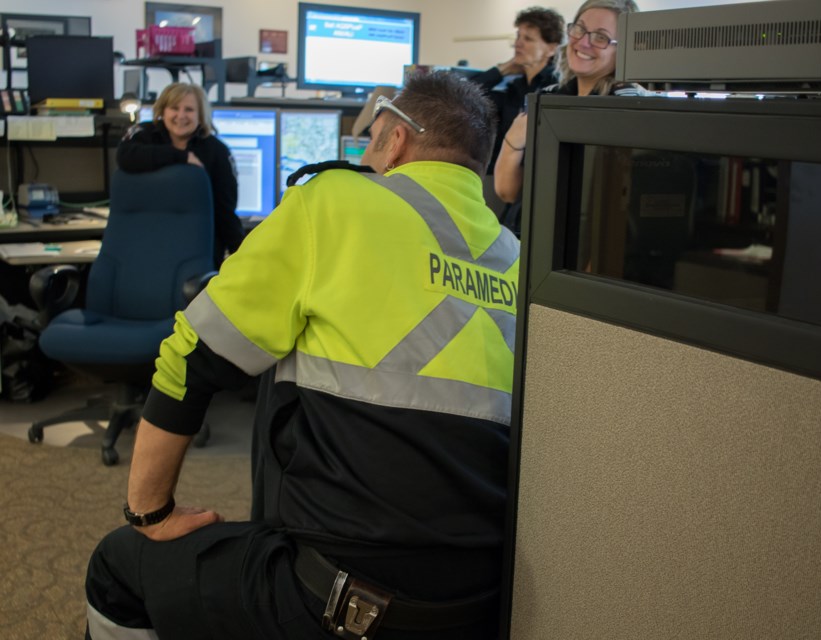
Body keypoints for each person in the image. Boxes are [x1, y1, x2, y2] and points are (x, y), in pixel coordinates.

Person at [85, 72, 519, 640]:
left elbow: (192, 356)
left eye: (369, 141)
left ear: (395, 140)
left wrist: (151, 512)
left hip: (337, 601)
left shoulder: (334, 202)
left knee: (119, 565)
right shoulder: (520, 260)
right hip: (479, 605)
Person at [494, 0, 640, 235]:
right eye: (580, 29)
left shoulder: (626, 103)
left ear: (624, 50)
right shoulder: (548, 96)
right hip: (530, 236)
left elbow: (614, 209)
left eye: (601, 37)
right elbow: (507, 191)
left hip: (580, 245)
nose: (583, 42)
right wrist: (514, 139)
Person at [116, 82, 244, 268]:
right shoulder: (143, 135)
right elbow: (124, 156)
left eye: (189, 110)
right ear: (163, 110)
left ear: (200, 115)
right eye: (174, 108)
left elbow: (225, 212)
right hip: (147, 247)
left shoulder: (217, 152)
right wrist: (181, 157)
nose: (181, 116)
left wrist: (242, 259)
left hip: (198, 252)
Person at [471, 6, 565, 174]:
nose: (518, 43)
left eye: (528, 39)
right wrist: (502, 70)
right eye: (518, 36)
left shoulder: (557, 87)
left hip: (536, 177)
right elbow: (466, 94)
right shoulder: (514, 88)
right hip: (500, 176)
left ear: (552, 48)